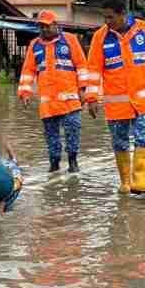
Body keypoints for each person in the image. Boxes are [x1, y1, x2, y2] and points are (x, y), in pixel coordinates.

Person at [84, 0, 145, 195]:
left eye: (111, 17)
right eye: (104, 18)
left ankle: (140, 180)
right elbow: (94, 70)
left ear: (123, 14)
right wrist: (91, 98)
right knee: (119, 142)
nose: (107, 22)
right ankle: (125, 183)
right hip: (116, 103)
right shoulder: (100, 37)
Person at [18, 10, 87, 173]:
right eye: (41, 27)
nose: (44, 30)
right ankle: (54, 164)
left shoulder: (70, 40)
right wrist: (25, 93)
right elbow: (28, 71)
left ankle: (72, 161)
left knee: (73, 130)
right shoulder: (34, 45)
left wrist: (83, 90)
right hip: (48, 103)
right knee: (51, 136)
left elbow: (82, 66)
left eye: (47, 26)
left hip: (70, 99)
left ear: (56, 25)